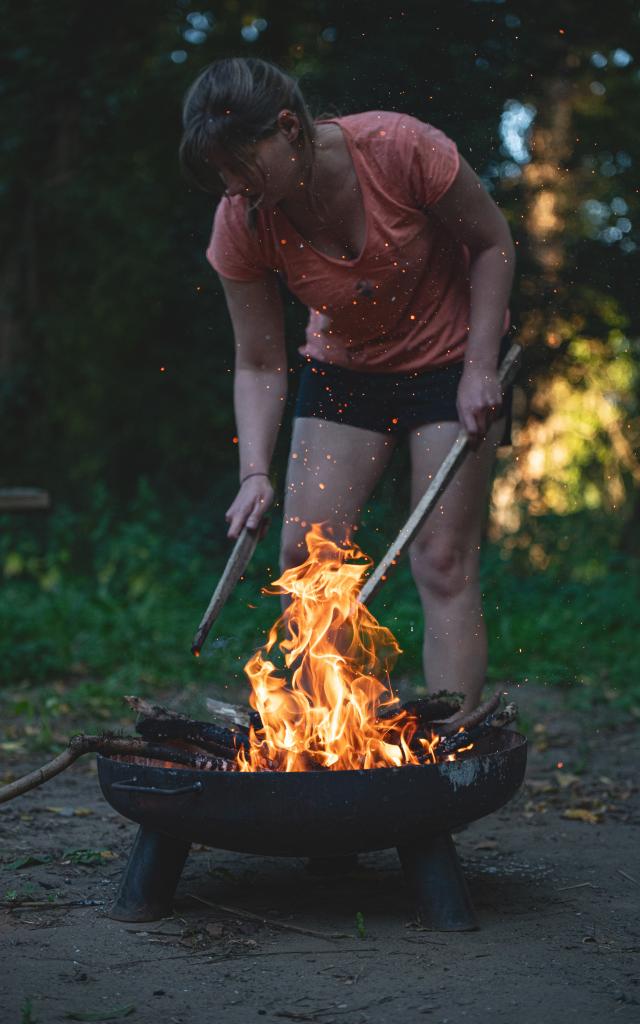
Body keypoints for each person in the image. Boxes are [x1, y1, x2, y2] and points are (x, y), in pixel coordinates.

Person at [180, 57, 516, 713]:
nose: (233, 188)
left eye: (241, 166)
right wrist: (254, 473)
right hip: (345, 373)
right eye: (222, 175)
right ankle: (326, 747)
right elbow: (259, 362)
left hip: (453, 361)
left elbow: (492, 243)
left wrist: (480, 368)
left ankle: (451, 752)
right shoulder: (242, 219)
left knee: (441, 559)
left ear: (288, 128)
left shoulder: (400, 148)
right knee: (311, 563)